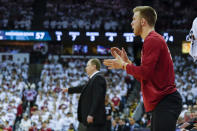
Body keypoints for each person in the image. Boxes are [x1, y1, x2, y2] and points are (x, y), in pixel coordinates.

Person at [103, 6, 182, 131]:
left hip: (165, 101)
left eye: (134, 19)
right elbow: (146, 77)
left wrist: (124, 65)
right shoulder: (152, 40)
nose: (131, 22)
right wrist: (128, 64)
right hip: (163, 101)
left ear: (143, 21)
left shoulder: (152, 40)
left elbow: (144, 74)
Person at [63, 58, 107, 131]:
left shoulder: (98, 78)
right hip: (92, 120)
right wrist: (69, 90)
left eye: (88, 66)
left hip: (95, 119)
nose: (86, 68)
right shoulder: (93, 79)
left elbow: (97, 98)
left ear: (94, 67)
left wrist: (91, 114)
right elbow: (83, 87)